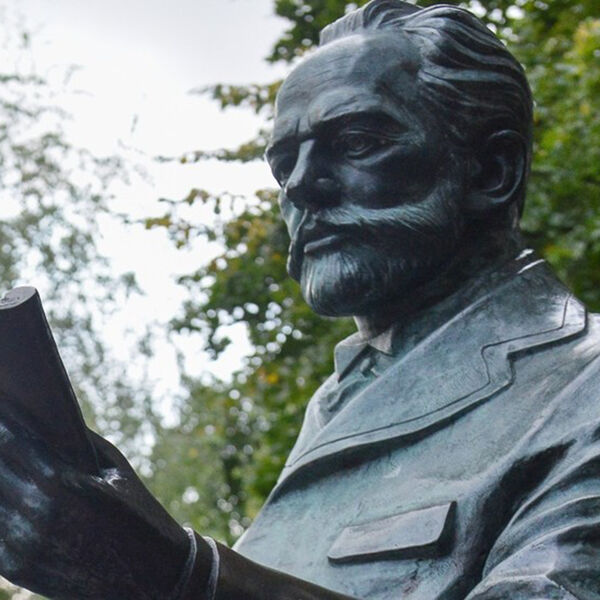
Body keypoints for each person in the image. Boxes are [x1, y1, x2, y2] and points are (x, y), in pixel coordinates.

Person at [1, 1, 599, 599]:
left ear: (492, 170)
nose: (300, 185)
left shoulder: (582, 385)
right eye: (284, 164)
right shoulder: (340, 403)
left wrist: (175, 574)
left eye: (357, 141)